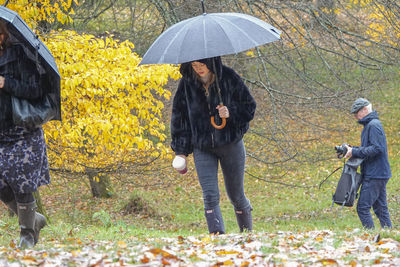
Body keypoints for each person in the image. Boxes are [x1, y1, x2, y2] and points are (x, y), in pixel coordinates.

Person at [171, 56, 256, 234]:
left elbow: (249, 107)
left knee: (236, 196)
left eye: (202, 64)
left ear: (211, 62)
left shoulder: (229, 77)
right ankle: (217, 241)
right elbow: (179, 119)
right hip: (202, 147)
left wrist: (230, 112)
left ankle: (247, 236)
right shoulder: (186, 85)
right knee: (210, 195)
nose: (199, 69)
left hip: (231, 144)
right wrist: (180, 151)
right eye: (194, 65)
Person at [0, 20, 49, 248]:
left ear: (2, 34)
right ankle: (32, 219)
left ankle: (27, 234)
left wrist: (5, 83)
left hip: (22, 132)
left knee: (22, 183)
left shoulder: (19, 55)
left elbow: (36, 89)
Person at [344, 98, 392, 229]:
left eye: (356, 112)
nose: (355, 116)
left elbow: (377, 149)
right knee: (380, 209)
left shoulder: (373, 125)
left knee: (363, 208)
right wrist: (352, 150)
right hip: (378, 172)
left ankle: (370, 236)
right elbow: (371, 148)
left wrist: (355, 151)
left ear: (365, 110)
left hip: (375, 173)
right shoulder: (370, 125)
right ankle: (389, 234)